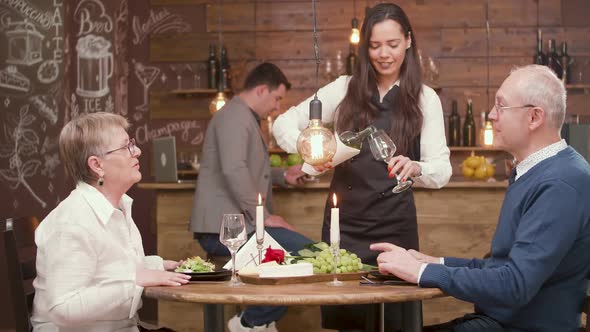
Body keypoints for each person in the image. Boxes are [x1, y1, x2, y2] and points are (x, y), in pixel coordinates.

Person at [272, 3, 451, 330]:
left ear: (408, 41)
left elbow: (442, 168)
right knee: (349, 323)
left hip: (396, 225)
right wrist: (312, 154)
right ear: (364, 46)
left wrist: (416, 167)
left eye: (393, 44)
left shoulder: (425, 98)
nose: (384, 54)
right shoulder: (343, 88)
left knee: (399, 320)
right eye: (375, 45)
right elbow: (282, 124)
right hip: (345, 226)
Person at [371, 64, 590, 332]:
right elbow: (501, 267)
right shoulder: (536, 172)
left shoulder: (561, 183)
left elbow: (514, 284)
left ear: (534, 117)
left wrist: (421, 274)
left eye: (501, 106)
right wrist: (432, 262)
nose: (492, 116)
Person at [31, 112, 190, 332]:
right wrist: (137, 280)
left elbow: (108, 268)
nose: (137, 151)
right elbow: (63, 307)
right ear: (97, 165)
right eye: (126, 147)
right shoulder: (72, 222)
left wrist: (157, 266)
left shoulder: (118, 206)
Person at [189, 62, 313, 332]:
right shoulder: (235, 117)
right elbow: (234, 169)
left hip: (241, 226)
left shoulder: (243, 117)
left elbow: (249, 167)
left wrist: (284, 176)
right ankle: (249, 323)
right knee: (307, 256)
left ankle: (261, 323)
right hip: (225, 231)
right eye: (277, 98)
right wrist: (265, 218)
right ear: (260, 90)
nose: (277, 107)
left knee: (304, 257)